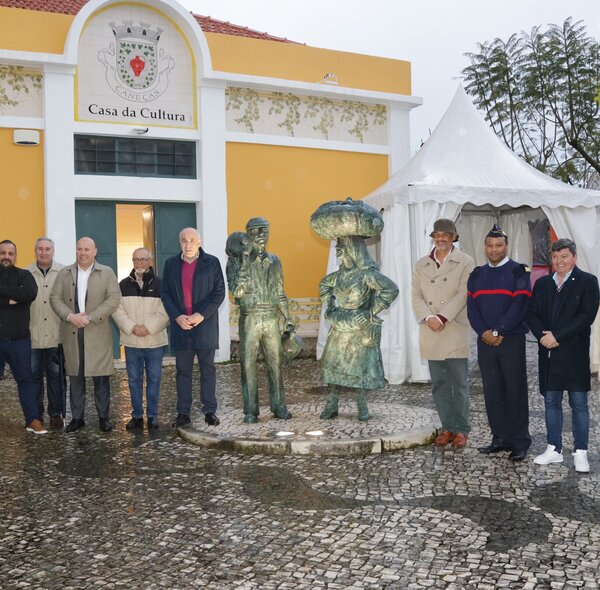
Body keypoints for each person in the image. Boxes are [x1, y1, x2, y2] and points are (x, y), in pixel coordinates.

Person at [527, 238, 600, 473]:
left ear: (574, 258)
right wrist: (543, 336)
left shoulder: (588, 282)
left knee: (579, 404)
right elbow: (531, 313)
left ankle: (581, 452)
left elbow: (586, 316)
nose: (559, 261)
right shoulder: (543, 284)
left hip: (574, 353)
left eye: (564, 256)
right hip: (548, 353)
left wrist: (556, 336)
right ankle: (554, 449)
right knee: (551, 401)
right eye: (556, 257)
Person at [467, 224, 531, 461]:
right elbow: (472, 309)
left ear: (506, 246)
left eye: (498, 245)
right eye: (490, 245)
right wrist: (484, 332)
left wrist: (497, 330)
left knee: (515, 391)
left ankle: (520, 441)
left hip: (511, 339)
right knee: (492, 392)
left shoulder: (518, 272)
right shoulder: (477, 275)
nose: (494, 250)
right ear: (485, 247)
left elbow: (519, 306)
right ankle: (500, 438)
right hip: (485, 341)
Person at [319, 235, 399, 421]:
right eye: (338, 244)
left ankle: (362, 406)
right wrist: (330, 307)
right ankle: (331, 404)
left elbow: (391, 289)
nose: (338, 247)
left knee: (359, 368)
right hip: (339, 325)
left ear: (353, 248)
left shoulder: (367, 273)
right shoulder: (339, 275)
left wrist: (371, 311)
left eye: (343, 244)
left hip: (359, 328)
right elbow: (324, 284)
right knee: (333, 365)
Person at [412, 219, 474, 448]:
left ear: (454, 237)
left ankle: (462, 429)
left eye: (446, 235)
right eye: (437, 234)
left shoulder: (465, 262)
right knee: (439, 384)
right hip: (430, 330)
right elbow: (415, 295)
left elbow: (463, 293)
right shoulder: (422, 264)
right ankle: (448, 426)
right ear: (433, 237)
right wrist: (429, 317)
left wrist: (442, 317)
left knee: (459, 384)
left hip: (453, 327)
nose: (441, 238)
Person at [226, 218, 295, 423]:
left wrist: (288, 317)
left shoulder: (275, 261)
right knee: (248, 365)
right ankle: (250, 410)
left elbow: (280, 291)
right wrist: (244, 262)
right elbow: (237, 292)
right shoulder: (235, 261)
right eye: (255, 231)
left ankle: (279, 405)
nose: (261, 235)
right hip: (250, 318)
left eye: (265, 230)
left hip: (271, 318)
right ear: (247, 235)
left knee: (276, 364)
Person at [50, 237, 120, 433]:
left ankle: (104, 418)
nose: (82, 253)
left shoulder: (106, 272)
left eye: (87, 249)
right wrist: (70, 316)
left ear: (95, 251)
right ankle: (77, 418)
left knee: (101, 379)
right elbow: (54, 298)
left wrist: (91, 317)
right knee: (76, 377)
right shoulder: (64, 273)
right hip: (72, 332)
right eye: (79, 249)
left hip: (97, 332)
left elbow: (114, 298)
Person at [161, 228, 225, 428]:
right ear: (179, 242)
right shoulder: (170, 264)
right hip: (181, 327)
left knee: (207, 370)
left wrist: (201, 314)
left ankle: (210, 411)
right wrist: (177, 316)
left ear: (199, 241)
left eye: (191, 240)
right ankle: (183, 412)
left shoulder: (212, 262)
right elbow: (165, 294)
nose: (188, 244)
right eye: (184, 240)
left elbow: (219, 293)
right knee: (182, 371)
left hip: (205, 326)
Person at [112, 248, 169, 431]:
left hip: (154, 341)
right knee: (134, 380)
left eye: (143, 259)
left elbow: (166, 310)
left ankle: (152, 416)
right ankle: (136, 416)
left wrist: (148, 328)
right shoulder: (123, 285)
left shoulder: (161, 284)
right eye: (136, 259)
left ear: (150, 261)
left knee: (154, 379)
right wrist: (132, 327)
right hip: (132, 342)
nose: (139, 263)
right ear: (132, 261)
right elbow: (117, 310)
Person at [0, 239, 43, 434]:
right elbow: (20, 296)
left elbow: (29, 294)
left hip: (19, 340)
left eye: (10, 253)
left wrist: (5, 293)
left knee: (26, 380)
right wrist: (11, 299)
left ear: (15, 256)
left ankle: (32, 420)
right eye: (3, 252)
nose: (6, 256)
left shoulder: (24, 275)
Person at [27, 237, 65, 429]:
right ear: (35, 251)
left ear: (53, 251)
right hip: (32, 336)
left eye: (47, 249)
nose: (44, 252)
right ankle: (36, 416)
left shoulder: (63, 273)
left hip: (56, 335)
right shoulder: (25, 274)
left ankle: (56, 414)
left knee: (56, 378)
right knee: (33, 378)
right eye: (40, 249)